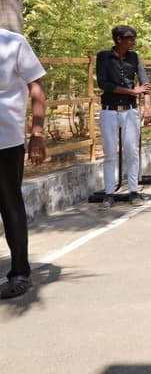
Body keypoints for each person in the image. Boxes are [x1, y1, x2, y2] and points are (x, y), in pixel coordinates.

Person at [0, 29, 46, 299]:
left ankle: (20, 273)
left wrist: (37, 133)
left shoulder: (12, 42)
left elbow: (36, 88)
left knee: (10, 205)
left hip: (5, 141)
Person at [95, 25, 151, 208]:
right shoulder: (103, 57)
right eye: (129, 39)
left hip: (130, 110)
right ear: (119, 39)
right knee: (110, 153)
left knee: (131, 151)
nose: (133, 42)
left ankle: (133, 192)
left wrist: (148, 107)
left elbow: (145, 84)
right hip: (109, 110)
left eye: (134, 38)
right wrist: (132, 91)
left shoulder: (134, 57)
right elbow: (104, 84)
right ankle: (109, 194)